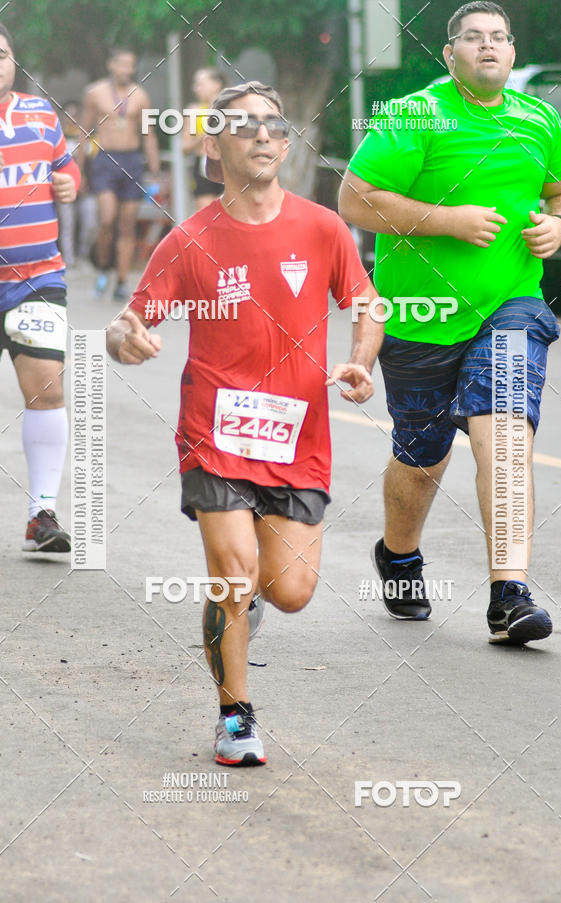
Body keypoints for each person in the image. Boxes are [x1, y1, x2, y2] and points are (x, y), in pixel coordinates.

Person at [106, 81, 383, 765]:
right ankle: (235, 716)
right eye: (244, 125)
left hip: (300, 439)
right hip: (215, 436)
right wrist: (125, 338)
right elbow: (129, 323)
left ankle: (236, 609)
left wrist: (359, 359)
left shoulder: (322, 227)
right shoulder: (189, 239)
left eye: (273, 124)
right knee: (232, 574)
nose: (263, 135)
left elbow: (368, 303)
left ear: (286, 144)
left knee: (289, 590)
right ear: (213, 145)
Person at [339, 1, 561, 644]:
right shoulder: (414, 113)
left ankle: (509, 593)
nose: (488, 47)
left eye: (499, 38)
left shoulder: (539, 118)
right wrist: (448, 220)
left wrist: (559, 223)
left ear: (511, 53)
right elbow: (355, 200)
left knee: (503, 431)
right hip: (422, 315)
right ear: (450, 55)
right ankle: (398, 556)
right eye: (473, 38)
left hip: (510, 307)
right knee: (422, 456)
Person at [0, 23, 80, 552]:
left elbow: (68, 173)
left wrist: (69, 184)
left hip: (37, 279)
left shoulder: (41, 113)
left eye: (2, 52)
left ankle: (42, 514)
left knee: (48, 388)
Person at [78, 47, 160, 301]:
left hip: (132, 161)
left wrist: (155, 170)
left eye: (130, 65)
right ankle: (103, 267)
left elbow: (149, 134)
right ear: (111, 65)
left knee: (127, 225)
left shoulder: (141, 96)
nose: (126, 69)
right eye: (122, 64)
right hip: (105, 160)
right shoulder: (95, 93)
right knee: (106, 220)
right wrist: (78, 169)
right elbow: (84, 130)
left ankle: (122, 282)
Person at [56, 100, 97, 267]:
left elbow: (97, 164)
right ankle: (69, 261)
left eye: (75, 115)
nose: (71, 118)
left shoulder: (91, 138)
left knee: (91, 223)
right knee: (67, 225)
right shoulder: (57, 137)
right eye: (68, 115)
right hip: (65, 188)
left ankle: (83, 256)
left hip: (88, 189)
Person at [182, 67, 225, 211]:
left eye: (200, 84)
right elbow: (185, 147)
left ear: (216, 85)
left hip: (228, 166)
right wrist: (205, 134)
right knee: (206, 217)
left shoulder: (232, 109)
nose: (196, 89)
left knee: (229, 217)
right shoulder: (194, 111)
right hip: (203, 166)